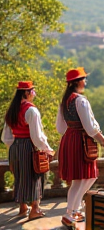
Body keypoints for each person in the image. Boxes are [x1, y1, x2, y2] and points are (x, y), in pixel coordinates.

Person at [56, 67, 104, 227]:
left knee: (80, 179)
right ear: (77, 82)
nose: (85, 81)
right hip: (81, 141)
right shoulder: (80, 101)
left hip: (69, 139)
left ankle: (73, 211)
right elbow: (90, 128)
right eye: (83, 79)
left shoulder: (65, 101)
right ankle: (71, 211)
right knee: (88, 176)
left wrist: (72, 132)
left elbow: (60, 128)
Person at [1, 81, 55, 220]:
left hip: (15, 146)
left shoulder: (12, 110)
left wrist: (12, 149)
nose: (34, 94)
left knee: (20, 176)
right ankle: (35, 209)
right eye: (32, 91)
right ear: (26, 93)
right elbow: (36, 136)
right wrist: (47, 149)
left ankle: (23, 207)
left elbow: (6, 137)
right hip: (28, 146)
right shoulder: (31, 110)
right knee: (34, 176)